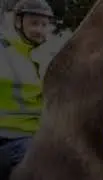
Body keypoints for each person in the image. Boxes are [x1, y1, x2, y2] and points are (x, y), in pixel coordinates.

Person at [0, 0, 54, 179]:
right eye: (34, 23)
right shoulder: (5, 51)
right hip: (11, 139)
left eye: (44, 24)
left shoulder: (43, 55)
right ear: (18, 22)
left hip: (34, 136)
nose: (39, 29)